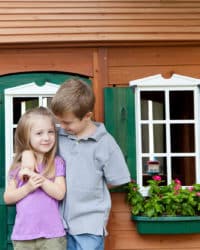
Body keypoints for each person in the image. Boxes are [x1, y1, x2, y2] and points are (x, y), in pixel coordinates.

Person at [50, 78, 131, 250]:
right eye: (59, 122)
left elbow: (117, 179)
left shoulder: (105, 143)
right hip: (56, 224)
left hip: (88, 225)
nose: (62, 126)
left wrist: (89, 187)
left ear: (87, 116)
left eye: (67, 122)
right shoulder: (58, 136)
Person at [3, 106, 67, 250]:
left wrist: (41, 180)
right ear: (26, 137)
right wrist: (27, 188)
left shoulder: (57, 162)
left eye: (51, 132)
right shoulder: (18, 167)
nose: (46, 137)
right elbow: (8, 198)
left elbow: (60, 194)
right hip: (23, 236)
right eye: (39, 133)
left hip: (52, 235)